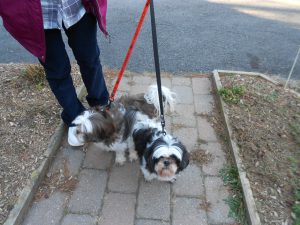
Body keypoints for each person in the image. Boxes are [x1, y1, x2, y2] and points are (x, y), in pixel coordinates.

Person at [0, 0, 109, 146]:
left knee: (90, 58)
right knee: (57, 70)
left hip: (76, 4)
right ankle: (75, 115)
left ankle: (100, 103)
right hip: (32, 12)